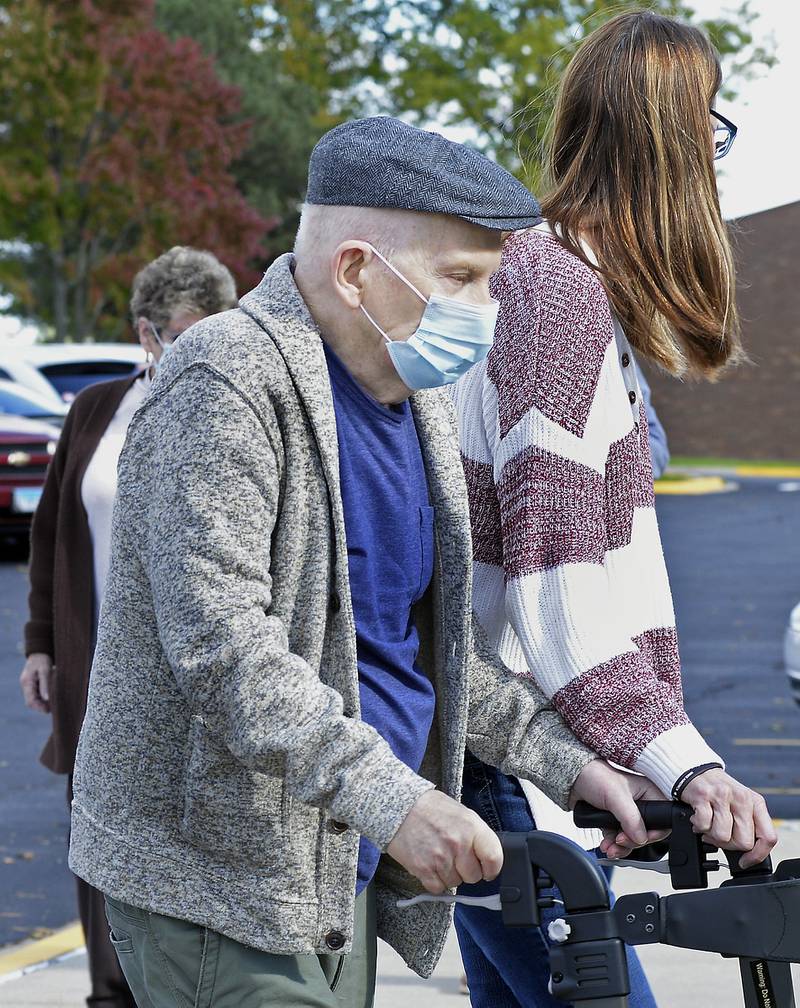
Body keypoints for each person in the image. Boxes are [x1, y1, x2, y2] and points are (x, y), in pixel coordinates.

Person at [67, 117, 669, 1008]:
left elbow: (435, 648)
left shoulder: (413, 400)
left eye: (492, 282)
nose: (486, 312)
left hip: (332, 867)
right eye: (459, 278)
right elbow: (224, 653)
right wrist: (398, 805)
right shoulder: (226, 381)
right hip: (217, 887)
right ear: (355, 270)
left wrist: (573, 764)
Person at [451, 12, 776, 1007]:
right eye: (709, 131)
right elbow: (551, 593)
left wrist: (628, 755)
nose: (718, 164)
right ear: (668, 144)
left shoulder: (538, 278)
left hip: (488, 745)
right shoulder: (554, 296)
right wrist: (682, 764)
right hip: (498, 750)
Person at [19, 246, 237, 1008]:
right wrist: (40, 642)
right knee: (97, 826)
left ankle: (186, 983)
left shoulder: (235, 406)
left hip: (197, 663)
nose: (204, 342)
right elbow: (51, 533)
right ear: (148, 334)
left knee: (191, 826)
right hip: (93, 658)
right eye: (186, 330)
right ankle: (112, 993)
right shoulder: (96, 410)